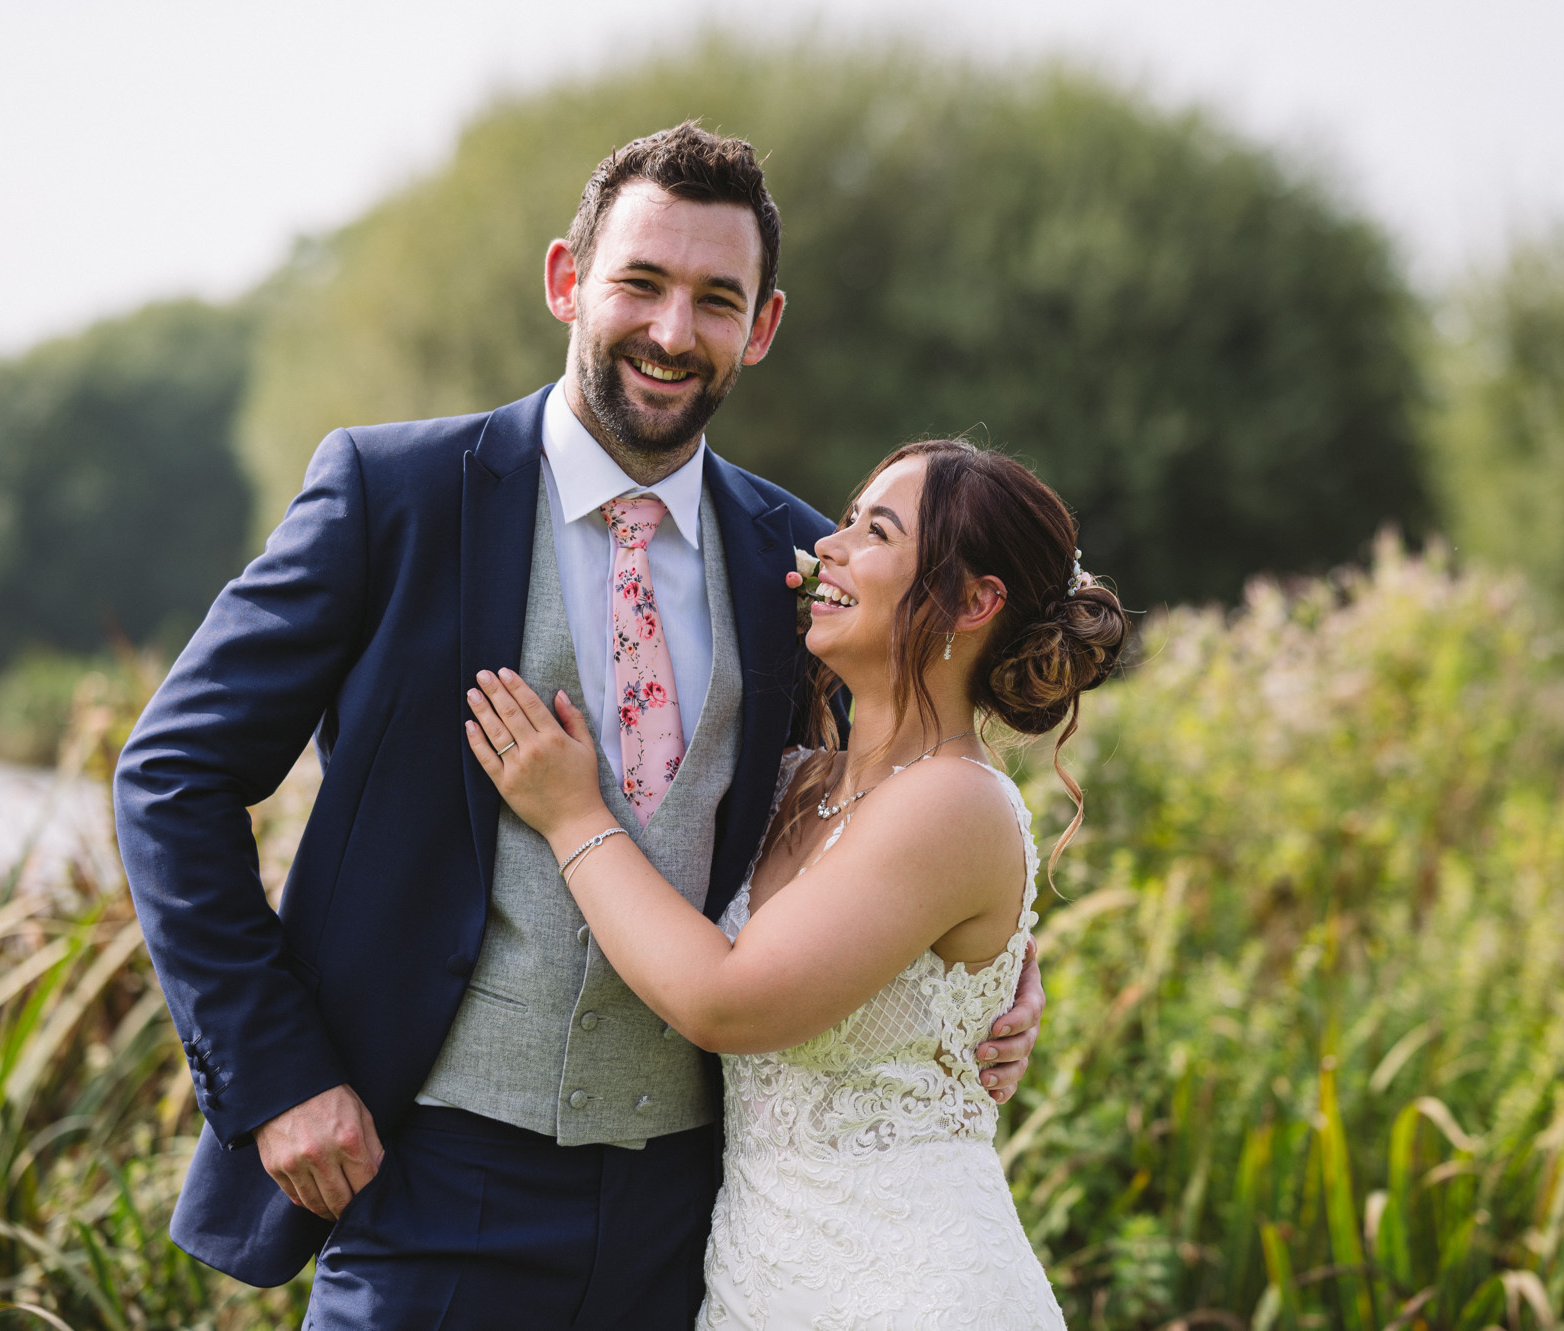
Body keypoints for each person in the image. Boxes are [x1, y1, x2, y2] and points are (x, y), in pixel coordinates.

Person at [112, 122, 1046, 1329]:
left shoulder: (796, 562)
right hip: (431, 1181)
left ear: (759, 328)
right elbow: (171, 775)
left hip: (698, 1219)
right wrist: (278, 1074)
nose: (671, 332)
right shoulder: (390, 498)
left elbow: (888, 801)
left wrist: (985, 978)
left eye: (717, 299)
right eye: (640, 283)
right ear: (567, 280)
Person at [463, 438, 1127, 1327]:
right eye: (846, 521)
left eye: (875, 531)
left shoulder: (958, 802)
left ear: (976, 601)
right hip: (759, 1283)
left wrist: (573, 816)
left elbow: (728, 1002)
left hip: (910, 1290)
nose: (828, 549)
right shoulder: (796, 783)